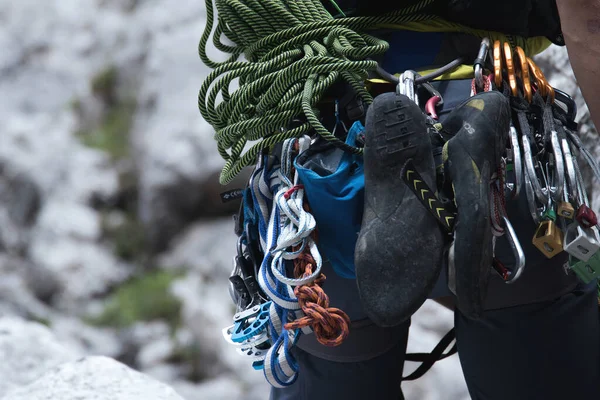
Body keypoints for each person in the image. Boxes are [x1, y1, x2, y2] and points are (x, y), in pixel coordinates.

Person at [264, 1, 600, 399]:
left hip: (324, 158)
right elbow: (588, 20)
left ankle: (407, 190)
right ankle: (452, 171)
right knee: (531, 330)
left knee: (334, 361)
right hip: (492, 127)